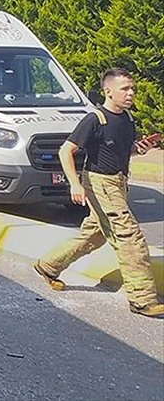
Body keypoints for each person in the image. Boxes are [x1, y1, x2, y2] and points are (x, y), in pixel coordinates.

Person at [33, 68, 164, 318]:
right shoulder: (95, 119)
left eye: (132, 88)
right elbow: (65, 151)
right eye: (125, 89)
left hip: (118, 182)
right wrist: (75, 184)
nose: (131, 93)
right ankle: (141, 299)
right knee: (129, 236)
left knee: (94, 235)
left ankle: (48, 266)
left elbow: (120, 150)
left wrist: (140, 148)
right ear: (108, 91)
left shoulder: (127, 119)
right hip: (100, 183)